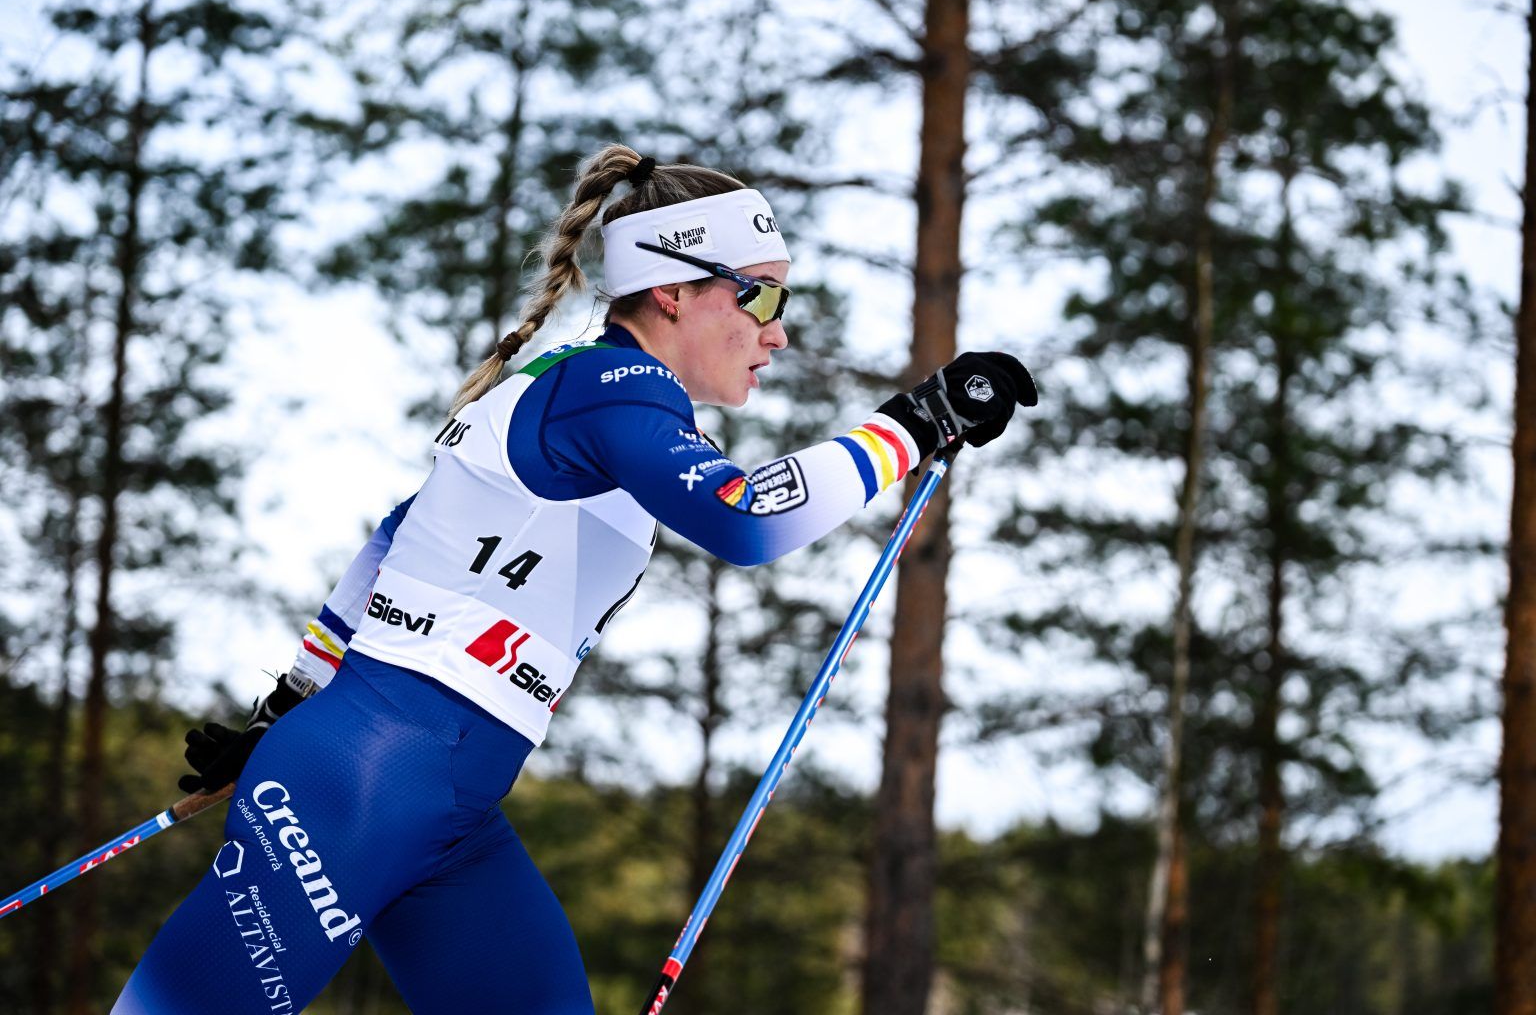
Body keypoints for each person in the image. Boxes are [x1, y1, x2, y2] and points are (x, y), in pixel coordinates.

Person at [111, 144, 1036, 1014]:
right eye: (759, 300)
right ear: (673, 291)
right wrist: (916, 423)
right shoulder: (613, 388)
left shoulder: (577, 386)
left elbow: (393, 540)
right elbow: (746, 519)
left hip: (444, 809)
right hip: (371, 777)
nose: (778, 334)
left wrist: (295, 698)